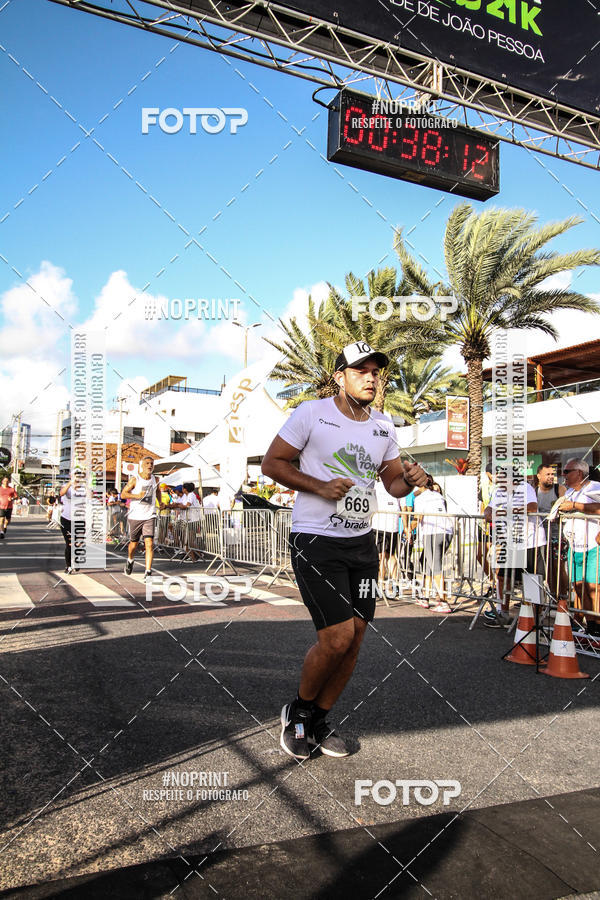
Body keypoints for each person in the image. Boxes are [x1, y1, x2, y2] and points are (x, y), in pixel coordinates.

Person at [261, 340, 427, 760]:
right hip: (316, 540)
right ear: (340, 376)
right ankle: (297, 713)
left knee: (355, 639)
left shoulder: (384, 426)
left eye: (375, 371)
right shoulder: (311, 414)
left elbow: (392, 484)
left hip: (362, 547)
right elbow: (273, 463)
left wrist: (412, 479)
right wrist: (319, 486)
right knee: (335, 638)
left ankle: (320, 719)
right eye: (360, 370)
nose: (371, 377)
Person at [483, 475, 545, 627]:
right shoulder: (499, 492)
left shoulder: (525, 488)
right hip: (509, 541)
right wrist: (488, 513)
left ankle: (534, 617)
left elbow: (532, 507)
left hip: (529, 541)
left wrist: (507, 511)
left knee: (531, 579)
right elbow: (489, 508)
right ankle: (503, 613)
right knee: (503, 576)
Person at [558, 458, 600, 635]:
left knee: (594, 587)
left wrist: (574, 506)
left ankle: (597, 625)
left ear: (579, 473)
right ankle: (589, 625)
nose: (563, 475)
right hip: (575, 546)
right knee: (579, 585)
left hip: (592, 546)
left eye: (567, 472)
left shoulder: (595, 487)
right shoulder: (569, 492)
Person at [411, 475, 454, 612]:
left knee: (435, 566)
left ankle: (443, 601)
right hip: (447, 531)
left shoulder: (420, 499)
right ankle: (425, 596)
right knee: (427, 563)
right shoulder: (438, 496)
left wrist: (407, 529)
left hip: (432, 532)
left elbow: (418, 517)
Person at [121, 456, 161, 579]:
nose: (150, 466)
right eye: (147, 463)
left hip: (150, 515)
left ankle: (148, 572)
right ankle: (130, 559)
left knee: (149, 544)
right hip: (135, 516)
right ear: (142, 466)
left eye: (152, 463)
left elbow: (158, 491)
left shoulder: (156, 479)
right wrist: (138, 496)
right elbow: (123, 494)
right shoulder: (135, 479)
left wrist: (160, 502)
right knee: (134, 544)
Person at [536, 463, 566, 596]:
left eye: (552, 474)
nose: (551, 477)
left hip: (557, 536)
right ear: (539, 476)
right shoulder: (534, 491)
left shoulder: (558, 489)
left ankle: (562, 597)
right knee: (545, 570)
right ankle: (552, 595)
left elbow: (565, 504)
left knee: (558, 568)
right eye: (547, 474)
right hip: (540, 537)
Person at [58, 479, 78, 574]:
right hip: (66, 519)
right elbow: (61, 493)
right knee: (69, 543)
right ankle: (68, 566)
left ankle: (77, 560)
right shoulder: (66, 486)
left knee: (78, 543)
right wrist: (70, 483)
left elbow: (90, 497)